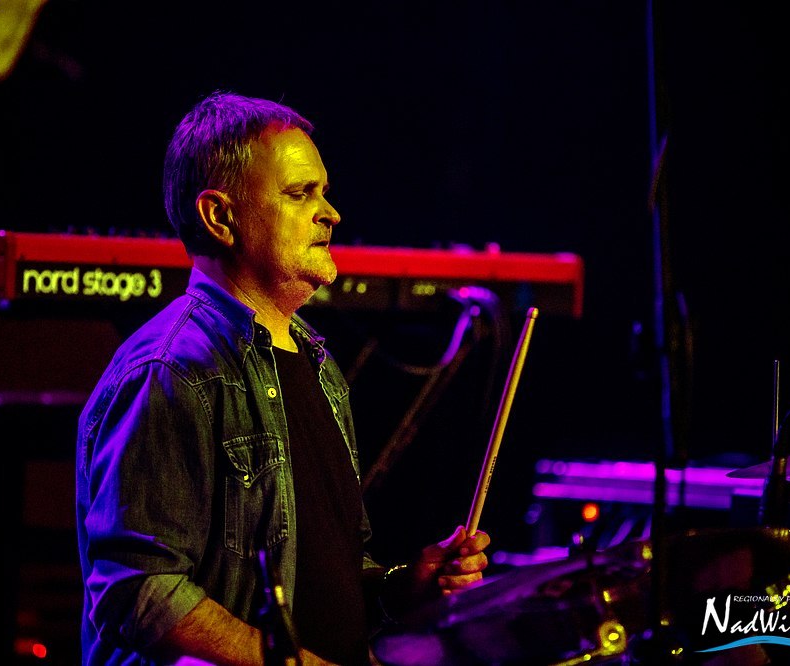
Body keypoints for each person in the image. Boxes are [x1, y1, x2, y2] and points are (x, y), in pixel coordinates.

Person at [75, 90, 491, 666]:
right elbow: (139, 591)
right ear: (220, 217)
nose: (331, 213)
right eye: (300, 194)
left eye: (324, 192)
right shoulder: (172, 371)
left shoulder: (319, 366)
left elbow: (323, 579)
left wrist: (401, 586)